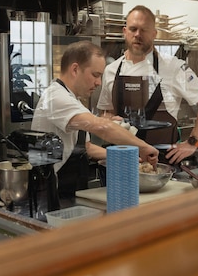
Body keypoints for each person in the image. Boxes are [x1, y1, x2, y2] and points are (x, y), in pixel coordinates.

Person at [31, 40, 160, 199]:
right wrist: (144, 147)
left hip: (65, 191)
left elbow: (87, 148)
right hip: (47, 194)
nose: (99, 83)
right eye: (95, 75)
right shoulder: (56, 97)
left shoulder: (73, 100)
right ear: (75, 69)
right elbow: (102, 128)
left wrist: (130, 159)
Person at [96, 5, 198, 165]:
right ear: (125, 32)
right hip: (122, 161)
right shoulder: (111, 70)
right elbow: (107, 113)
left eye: (144, 30)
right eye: (133, 29)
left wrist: (192, 143)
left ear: (154, 34)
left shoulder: (174, 67)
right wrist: (109, 121)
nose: (138, 35)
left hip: (162, 164)